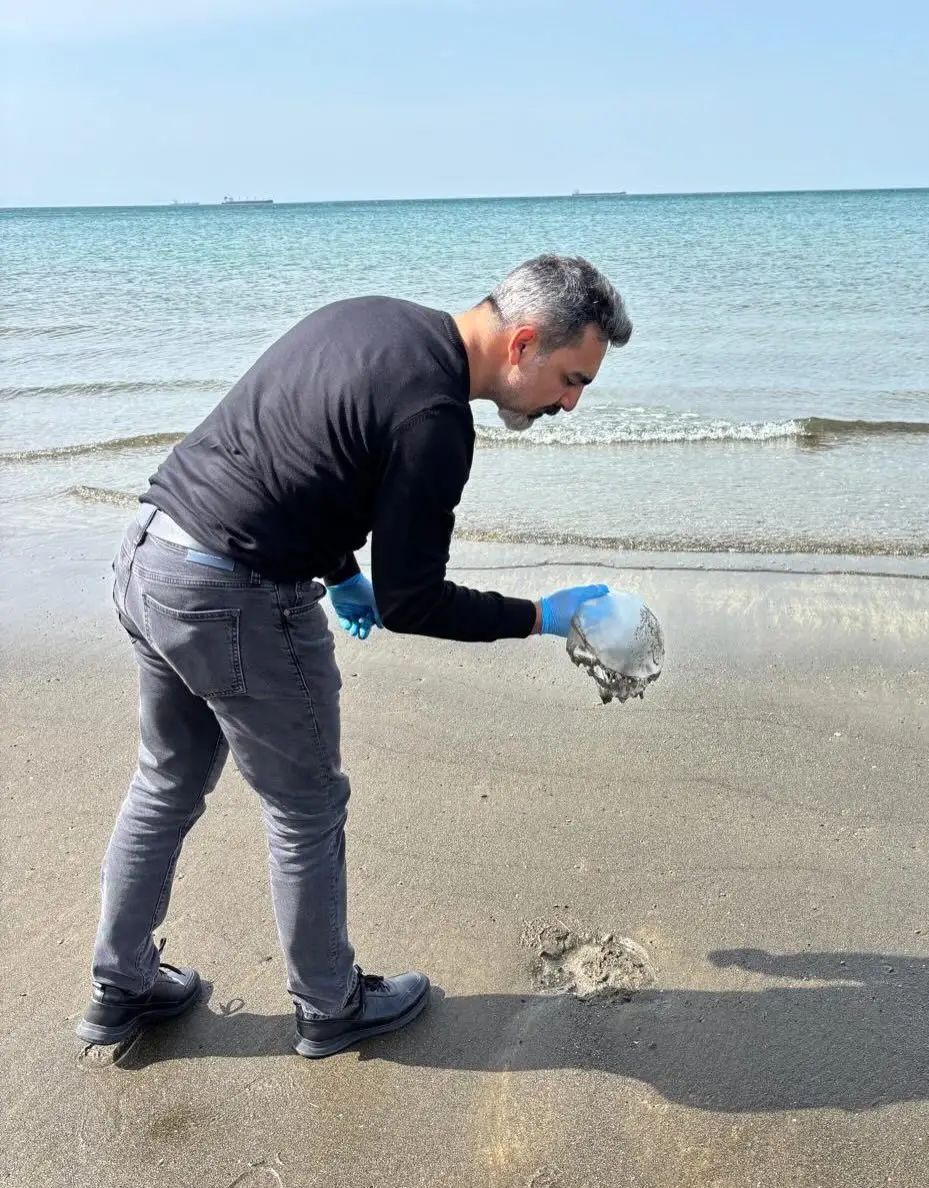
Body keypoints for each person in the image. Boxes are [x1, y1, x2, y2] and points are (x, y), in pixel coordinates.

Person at [76, 254, 632, 1058]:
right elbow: (414, 602)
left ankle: (118, 988)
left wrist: (341, 574)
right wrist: (545, 616)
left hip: (150, 558)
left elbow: (297, 455)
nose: (570, 404)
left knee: (164, 784)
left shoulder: (372, 318)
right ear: (523, 344)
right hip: (235, 595)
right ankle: (331, 1004)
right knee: (305, 809)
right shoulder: (437, 419)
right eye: (572, 379)